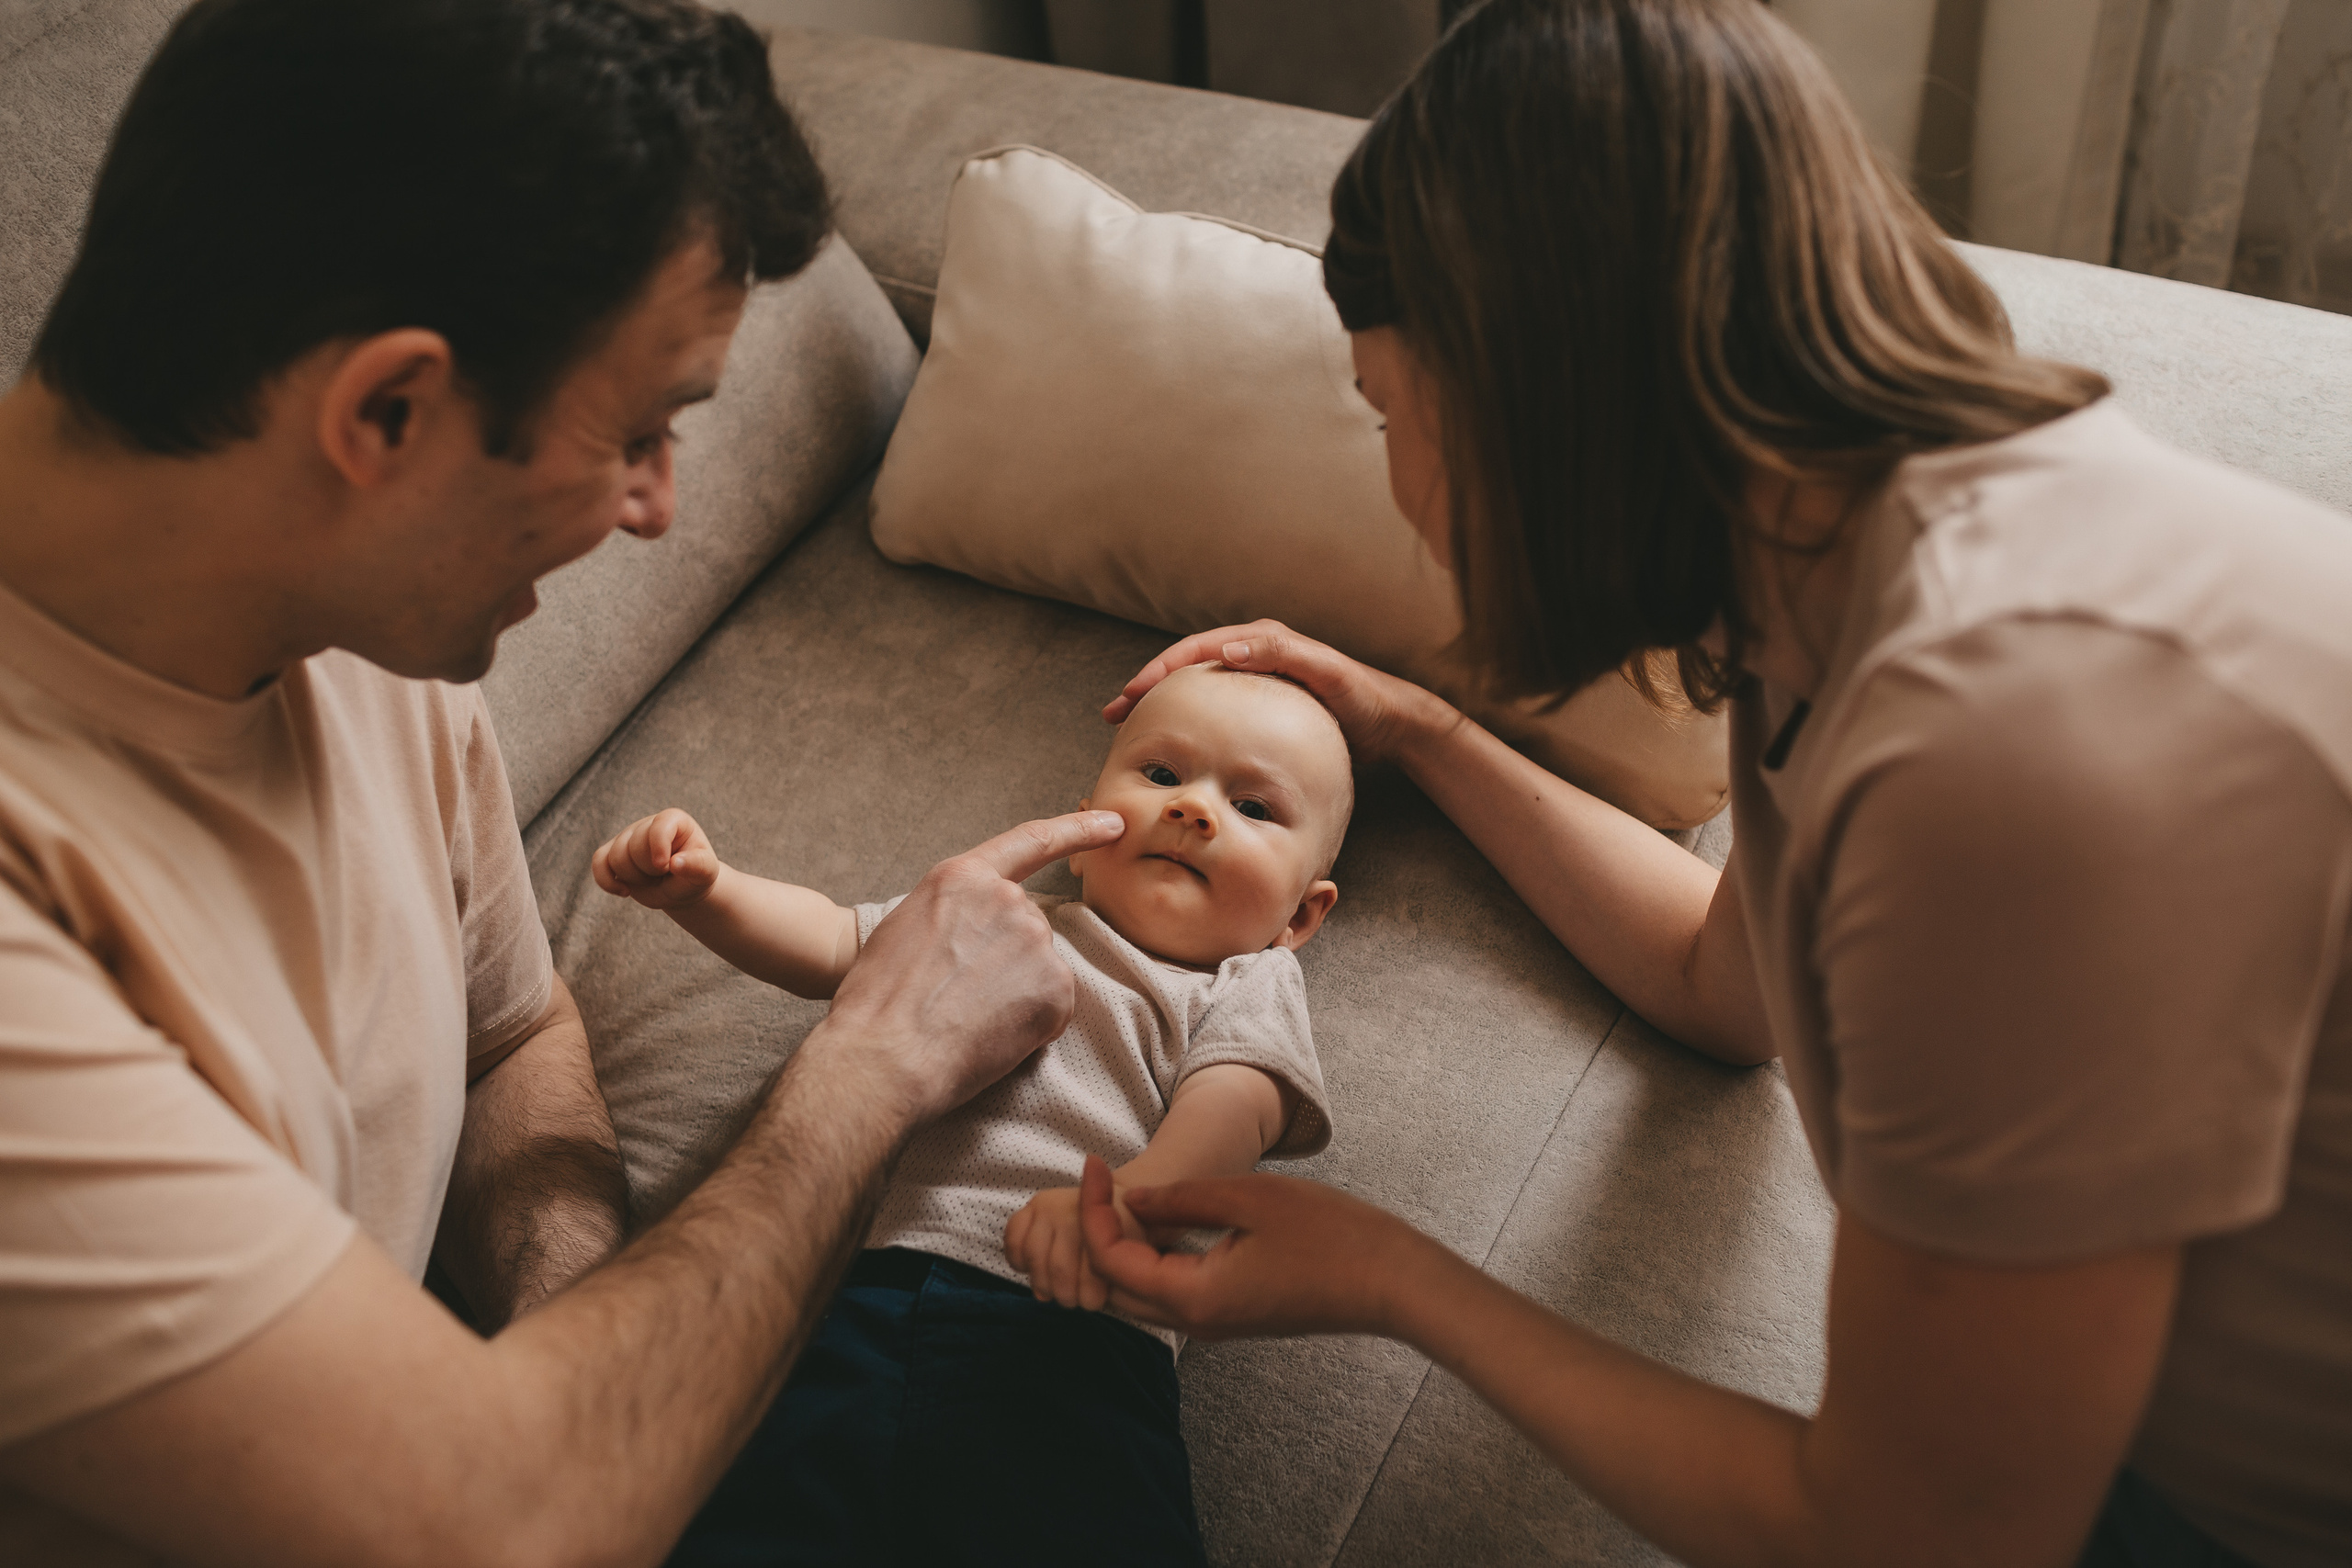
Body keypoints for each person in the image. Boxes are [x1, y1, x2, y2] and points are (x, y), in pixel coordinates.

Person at [1076, 3, 2352, 1566]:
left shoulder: (2001, 737)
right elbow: (1721, 986)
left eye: (1394, 417)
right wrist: (1413, 726)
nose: (1402, 489)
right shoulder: (1844, 562)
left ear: (1536, 397)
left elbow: (1919, 1536)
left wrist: (1398, 1280)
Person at [0, 1, 1123, 1562]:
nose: (659, 510)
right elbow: (509, 1521)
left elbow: (508, 1033)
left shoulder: (358, 630)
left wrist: (574, 1333)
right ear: (384, 412)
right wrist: (877, 1056)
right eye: (644, 432)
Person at [589, 662, 1351, 1566]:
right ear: (1081, 826)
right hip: (843, 1301)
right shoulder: (1002, 917)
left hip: (1070, 1337)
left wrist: (1137, 1196)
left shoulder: (1244, 983)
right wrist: (707, 891)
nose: (1193, 809)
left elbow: (1235, 1108)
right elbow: (835, 939)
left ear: (1299, 917)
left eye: (1255, 808)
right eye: (1160, 775)